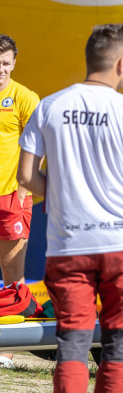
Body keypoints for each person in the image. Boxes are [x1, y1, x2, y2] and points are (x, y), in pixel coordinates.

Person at [17, 23, 123, 393]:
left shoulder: (49, 106)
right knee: (119, 344)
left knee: (73, 344)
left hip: (67, 245)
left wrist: (60, 196)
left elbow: (26, 177)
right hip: (121, 245)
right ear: (122, 63)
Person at [0, 34, 40, 369]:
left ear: (14, 63)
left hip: (11, 195)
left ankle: (8, 349)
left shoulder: (25, 97)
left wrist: (25, 191)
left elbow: (39, 146)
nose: (0, 69)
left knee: (13, 276)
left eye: (5, 63)